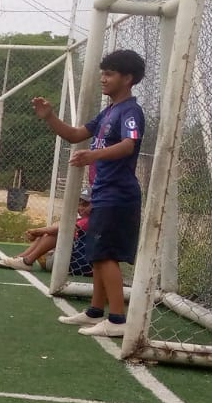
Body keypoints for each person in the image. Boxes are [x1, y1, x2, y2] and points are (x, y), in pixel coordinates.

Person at [31, 49, 147, 336]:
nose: (103, 79)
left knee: (106, 254)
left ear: (128, 78)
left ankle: (118, 320)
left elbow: (129, 145)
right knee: (96, 253)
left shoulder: (130, 111)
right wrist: (50, 117)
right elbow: (74, 134)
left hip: (118, 195)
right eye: (102, 74)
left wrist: (93, 156)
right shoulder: (108, 111)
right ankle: (95, 311)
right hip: (103, 193)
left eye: (109, 74)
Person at [0, 189, 93, 276]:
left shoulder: (91, 220)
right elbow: (58, 225)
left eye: (86, 205)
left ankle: (27, 261)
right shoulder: (81, 219)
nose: (81, 208)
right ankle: (21, 258)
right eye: (79, 204)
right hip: (70, 261)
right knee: (50, 231)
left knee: (57, 233)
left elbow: (63, 229)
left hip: (79, 265)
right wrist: (39, 232)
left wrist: (37, 231)